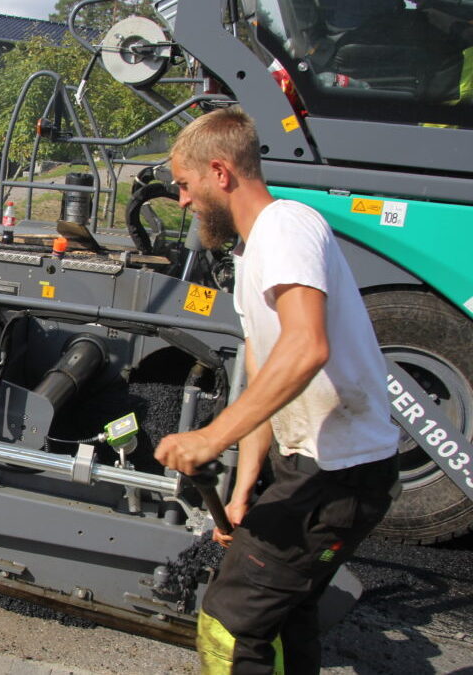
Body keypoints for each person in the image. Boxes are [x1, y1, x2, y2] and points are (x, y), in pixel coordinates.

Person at [153, 107, 399, 674]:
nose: (183, 200)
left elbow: (307, 346)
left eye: (185, 186)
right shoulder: (249, 258)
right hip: (310, 469)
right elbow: (268, 384)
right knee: (287, 616)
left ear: (220, 171)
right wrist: (241, 496)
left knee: (228, 623)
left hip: (340, 473)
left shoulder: (286, 225)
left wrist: (211, 437)